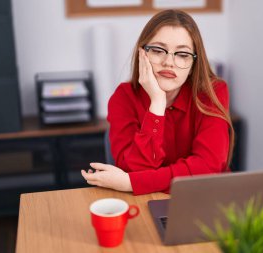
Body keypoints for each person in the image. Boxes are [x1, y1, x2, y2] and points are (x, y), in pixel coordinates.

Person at [81, 9, 235, 195]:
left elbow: (207, 169)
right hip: (146, 201)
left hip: (205, 197)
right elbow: (135, 170)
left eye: (182, 54)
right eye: (158, 50)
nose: (169, 62)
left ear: (194, 63)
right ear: (142, 54)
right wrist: (157, 105)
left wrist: (132, 183)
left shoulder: (213, 92)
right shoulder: (123, 97)